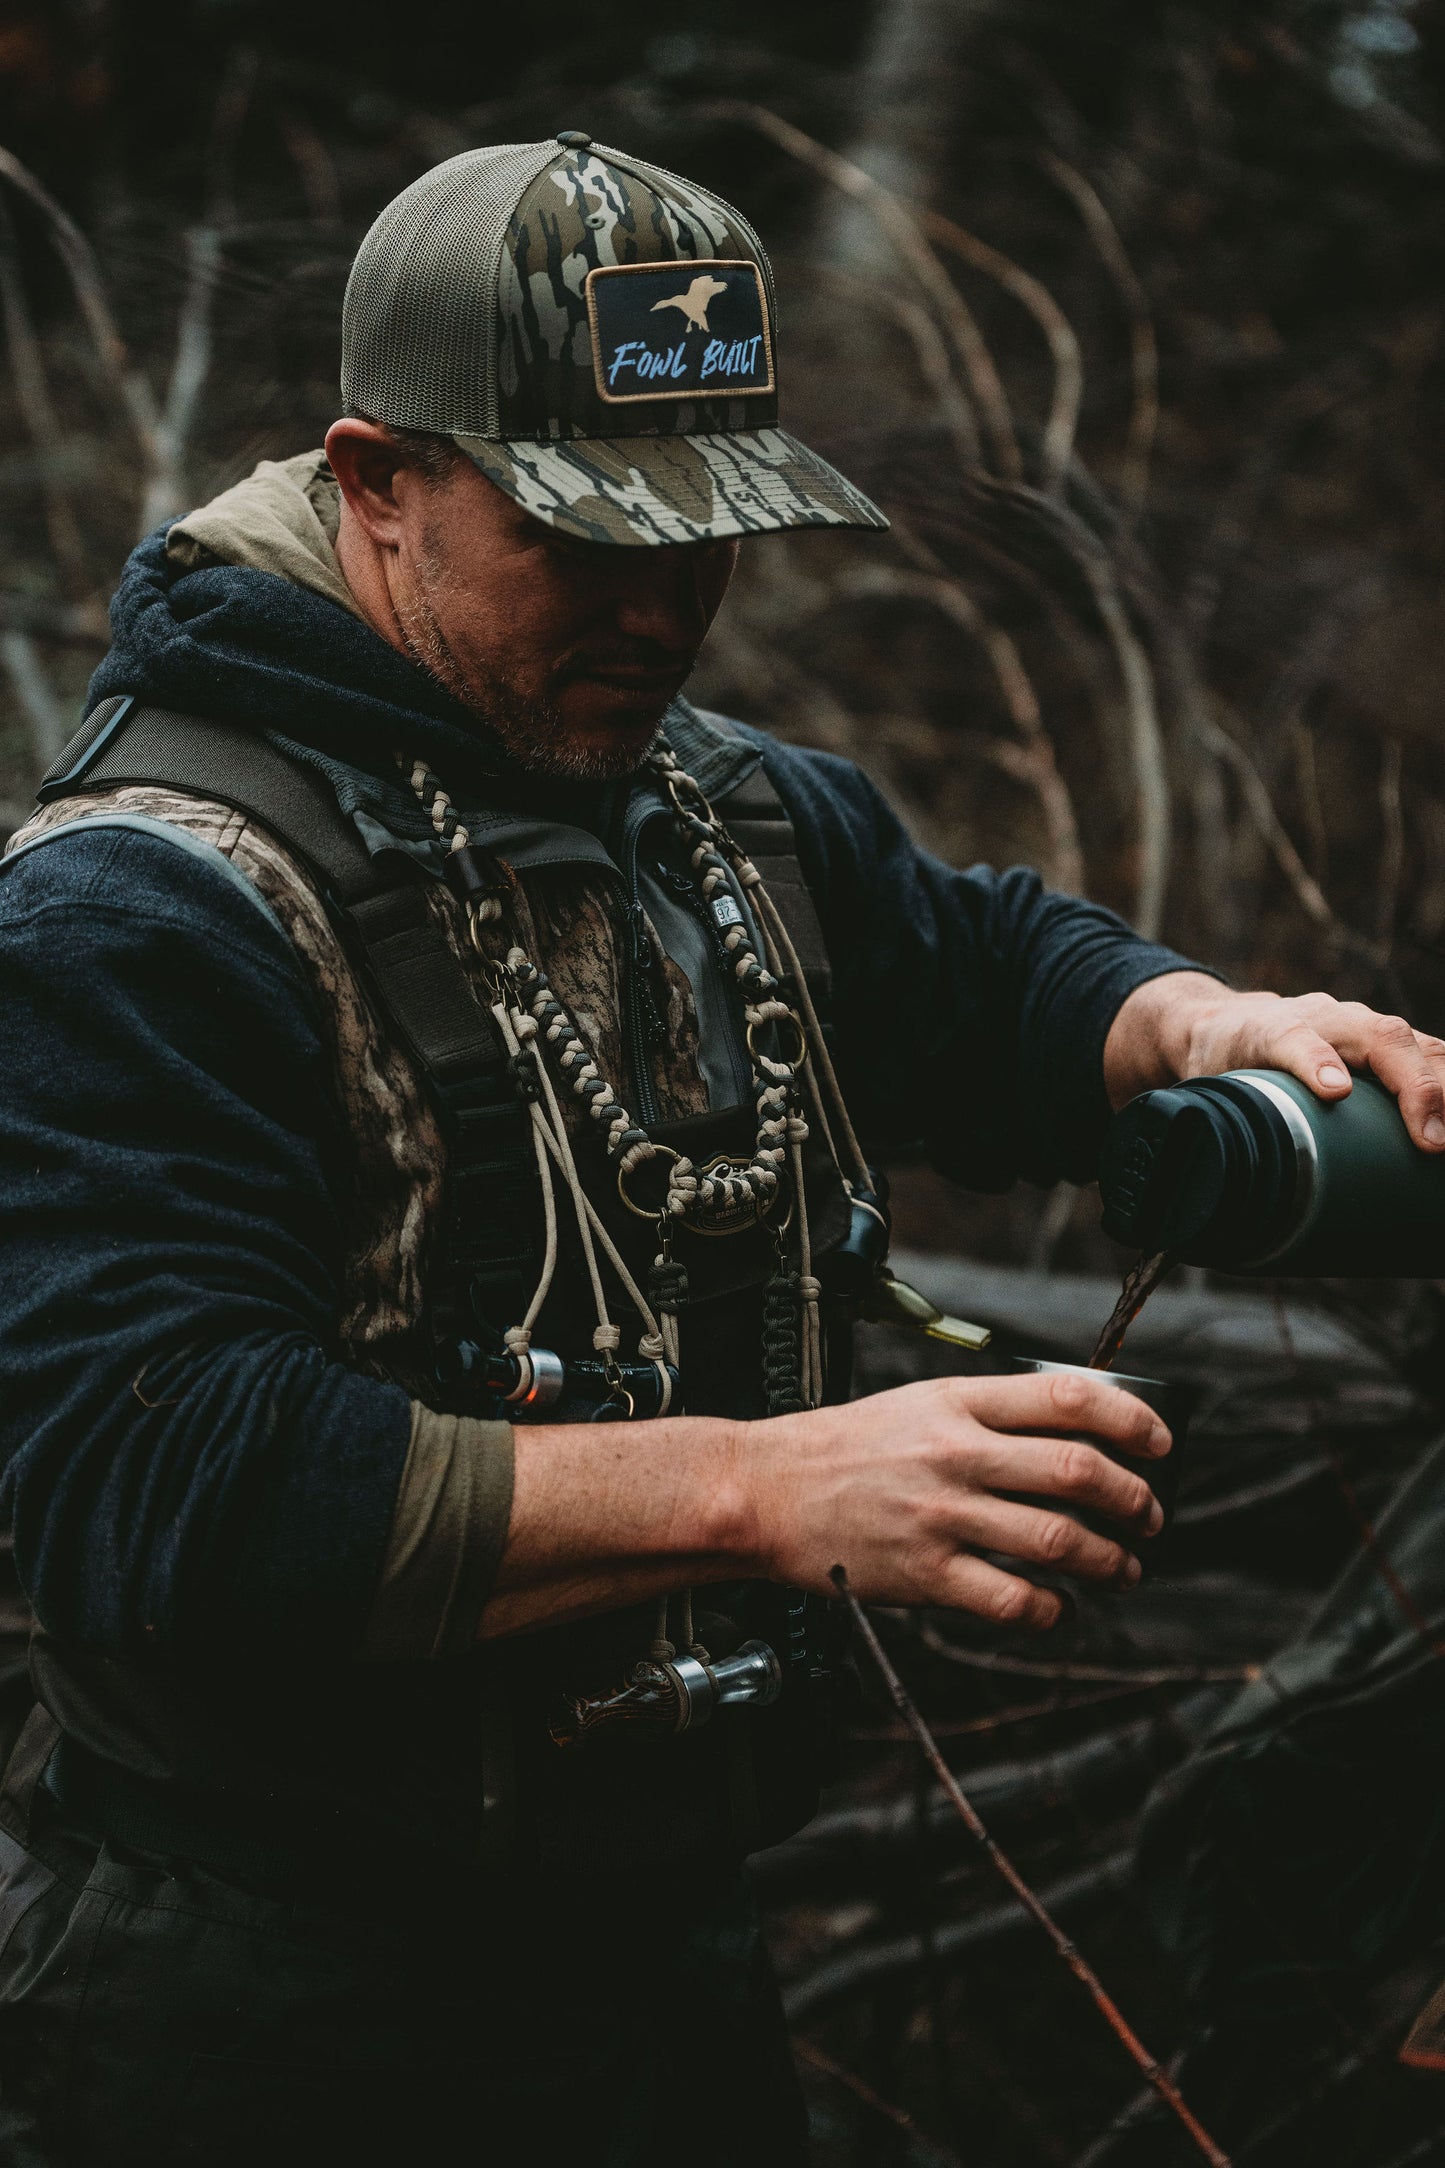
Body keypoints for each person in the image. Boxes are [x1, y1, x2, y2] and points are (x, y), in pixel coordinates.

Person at [0, 132, 1441, 2168]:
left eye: (708, 533)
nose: (665, 607)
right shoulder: (139, 911)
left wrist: (1197, 1021)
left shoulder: (701, 797)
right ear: (372, 481)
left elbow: (976, 970)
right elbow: (155, 1481)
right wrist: (765, 1486)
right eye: (588, 535)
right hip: (266, 2007)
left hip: (662, 1955)